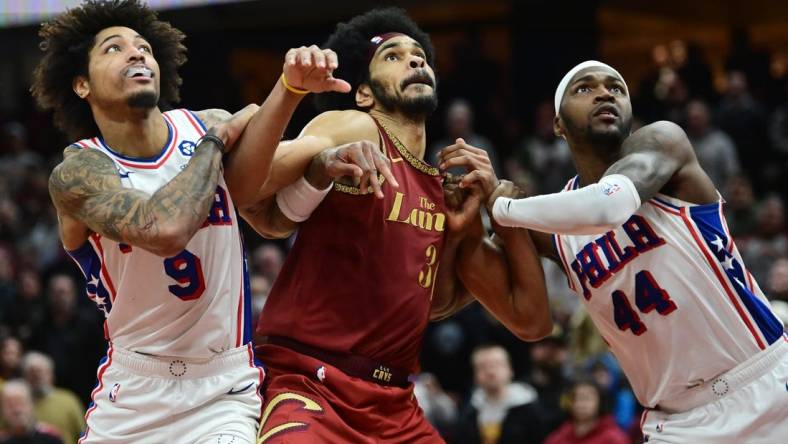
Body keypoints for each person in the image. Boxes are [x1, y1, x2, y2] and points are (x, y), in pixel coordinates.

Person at [32, 1, 346, 442]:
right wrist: (214, 143)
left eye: (144, 47)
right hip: (134, 390)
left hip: (221, 389)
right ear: (81, 84)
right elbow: (165, 230)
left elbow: (272, 218)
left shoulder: (207, 126)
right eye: (114, 48)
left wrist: (310, 126)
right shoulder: (81, 171)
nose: (137, 54)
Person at [238, 7, 552, 443]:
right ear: (364, 92)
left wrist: (486, 219)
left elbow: (517, 318)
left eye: (419, 55)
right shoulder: (356, 126)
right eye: (393, 55)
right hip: (310, 384)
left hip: (393, 403)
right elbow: (248, 185)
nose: (415, 60)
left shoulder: (444, 193)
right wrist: (321, 162)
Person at [489, 60, 788, 443]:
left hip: (764, 384)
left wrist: (503, 209)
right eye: (584, 88)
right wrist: (472, 206)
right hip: (677, 424)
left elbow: (607, 207)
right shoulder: (555, 230)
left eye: (616, 87)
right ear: (558, 125)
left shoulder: (664, 143)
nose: (603, 93)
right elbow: (517, 311)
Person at [455, 344, 548, 444]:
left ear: (510, 370)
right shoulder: (469, 412)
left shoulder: (531, 408)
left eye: (497, 364)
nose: (490, 371)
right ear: (475, 375)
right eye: (482, 367)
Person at [21, 353, 84, 444]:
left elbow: (84, 433)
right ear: (25, 377)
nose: (37, 376)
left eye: (41, 371)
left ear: (51, 375)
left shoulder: (68, 400)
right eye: (32, 373)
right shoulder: (19, 403)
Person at [543, 379, 629, 444]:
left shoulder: (613, 438)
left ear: (600, 401)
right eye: (577, 398)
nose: (582, 404)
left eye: (587, 398)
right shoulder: (559, 437)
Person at [0, 380, 63, 444]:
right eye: (10, 405)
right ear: (3, 410)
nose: (17, 409)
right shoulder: (2, 440)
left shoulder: (51, 437)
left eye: (21, 403)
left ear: (32, 405)